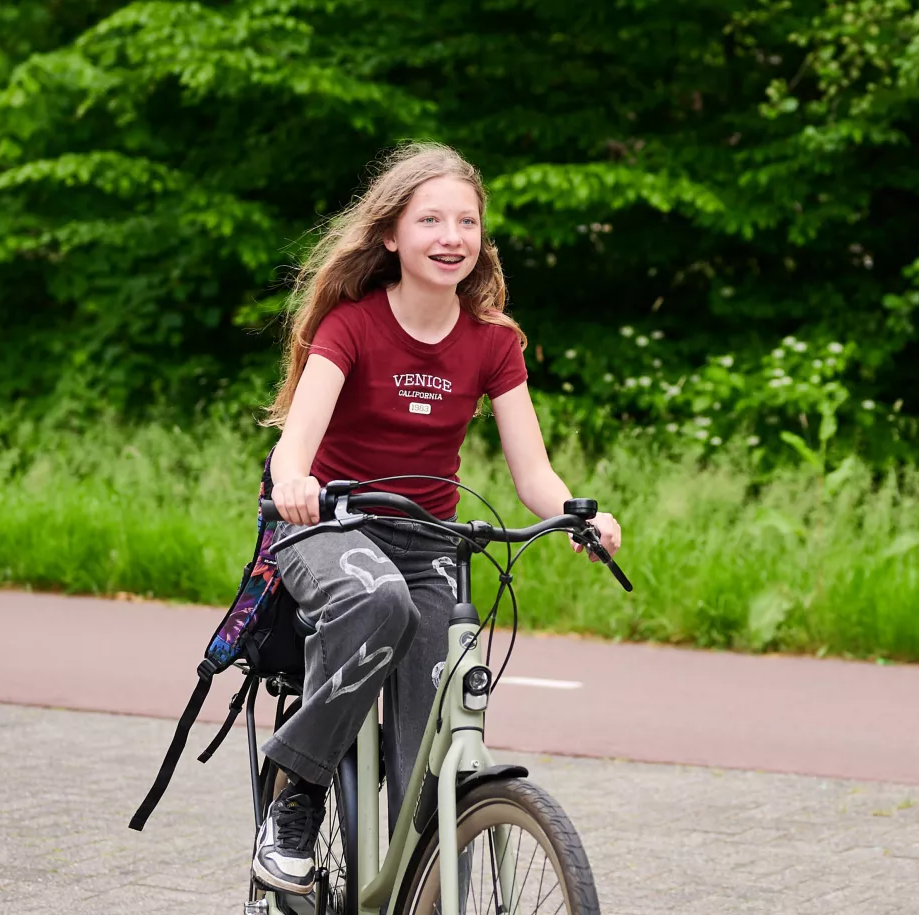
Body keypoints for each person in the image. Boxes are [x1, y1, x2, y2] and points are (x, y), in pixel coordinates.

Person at [252, 142, 623, 894]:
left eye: (466, 221)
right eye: (431, 219)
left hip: (428, 545)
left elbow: (534, 475)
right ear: (391, 233)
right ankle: (296, 789)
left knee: (427, 763)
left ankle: (419, 886)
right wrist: (294, 484)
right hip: (331, 527)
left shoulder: (493, 342)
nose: (452, 236)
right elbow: (295, 450)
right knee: (376, 599)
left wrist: (580, 514)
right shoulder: (351, 326)